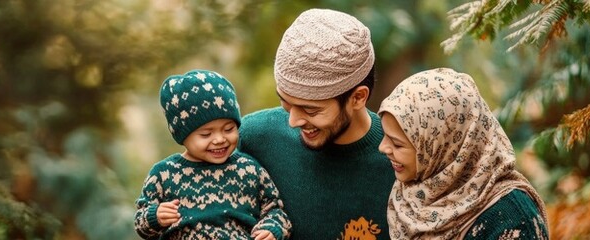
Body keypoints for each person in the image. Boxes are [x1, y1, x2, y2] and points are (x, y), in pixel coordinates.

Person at [238, 9, 395, 239]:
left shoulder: (401, 160)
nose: (293, 121)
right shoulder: (252, 138)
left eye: (311, 109)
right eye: (285, 102)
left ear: (358, 97)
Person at [377, 68, 550, 239]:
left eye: (397, 144)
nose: (382, 147)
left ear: (443, 150)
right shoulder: (411, 194)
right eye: (385, 135)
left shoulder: (512, 220)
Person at [134, 69, 291, 240]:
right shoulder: (163, 175)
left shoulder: (249, 169)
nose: (219, 139)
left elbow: (276, 211)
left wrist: (272, 229)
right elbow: (141, 226)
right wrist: (154, 216)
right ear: (183, 135)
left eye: (228, 129)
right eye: (206, 134)